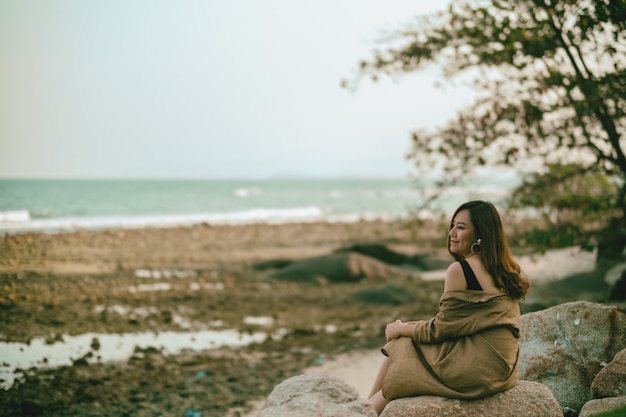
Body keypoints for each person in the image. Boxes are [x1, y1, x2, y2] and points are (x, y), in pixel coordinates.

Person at [368, 200, 529, 415]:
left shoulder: (460, 270)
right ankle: (366, 406)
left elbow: (440, 329)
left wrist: (399, 329)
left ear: (480, 234)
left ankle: (363, 410)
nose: (452, 232)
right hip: (503, 369)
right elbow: (457, 324)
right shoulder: (506, 270)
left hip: (478, 370)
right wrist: (407, 327)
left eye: (461, 227)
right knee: (405, 343)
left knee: (401, 349)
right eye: (452, 225)